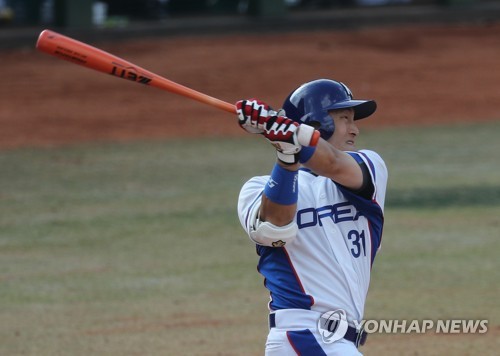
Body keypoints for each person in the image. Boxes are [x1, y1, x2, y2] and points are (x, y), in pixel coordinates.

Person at [236, 79, 388, 355]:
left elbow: (331, 162)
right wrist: (286, 153)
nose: (354, 129)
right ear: (317, 123)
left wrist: (284, 134)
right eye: (344, 119)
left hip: (337, 341)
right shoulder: (256, 189)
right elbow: (275, 230)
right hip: (301, 336)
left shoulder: (369, 166)